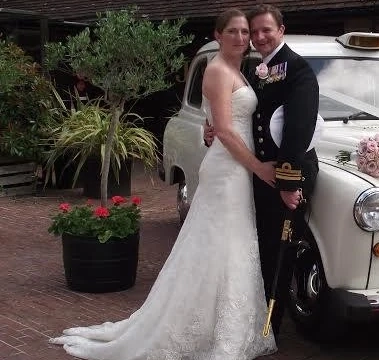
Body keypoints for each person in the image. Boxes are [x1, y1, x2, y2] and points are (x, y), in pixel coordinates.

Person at [49, 9, 278, 360]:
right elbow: (228, 132)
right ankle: (212, 331)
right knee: (222, 244)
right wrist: (259, 168)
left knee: (229, 245)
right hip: (229, 169)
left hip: (235, 168)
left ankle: (229, 325)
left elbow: (214, 121)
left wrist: (208, 131)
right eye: (232, 31)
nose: (241, 37)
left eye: (245, 31)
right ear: (218, 36)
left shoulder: (237, 70)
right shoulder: (217, 70)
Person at [204, 4, 320, 337]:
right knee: (261, 249)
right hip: (257, 174)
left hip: (284, 176)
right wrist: (209, 127)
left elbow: (298, 131)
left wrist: (286, 182)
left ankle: (270, 328)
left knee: (278, 252)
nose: (258, 37)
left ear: (281, 30)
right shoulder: (257, 69)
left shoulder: (298, 70)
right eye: (253, 32)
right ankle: (254, 321)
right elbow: (237, 116)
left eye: (265, 30)